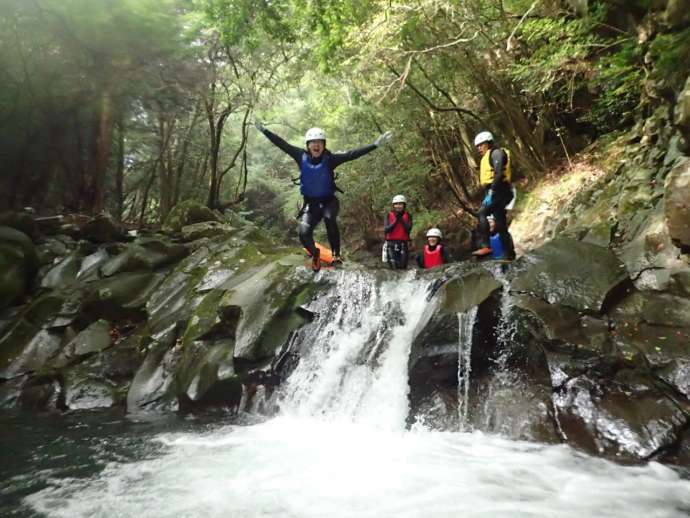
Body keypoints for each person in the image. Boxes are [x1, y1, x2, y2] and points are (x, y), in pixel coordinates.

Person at [255, 122, 392, 271]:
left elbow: (352, 154)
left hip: (329, 202)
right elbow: (281, 143)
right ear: (308, 145)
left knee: (329, 218)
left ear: (323, 145)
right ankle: (315, 253)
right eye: (313, 142)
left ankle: (336, 255)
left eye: (319, 142)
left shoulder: (330, 159)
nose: (316, 145)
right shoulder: (300, 156)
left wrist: (375, 145)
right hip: (311, 205)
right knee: (303, 234)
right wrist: (265, 131)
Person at [471, 131, 516, 260]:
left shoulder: (496, 153)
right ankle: (509, 254)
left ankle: (486, 245)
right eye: (477, 146)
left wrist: (492, 192)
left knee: (482, 213)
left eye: (481, 145)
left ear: (488, 143)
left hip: (499, 189)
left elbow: (498, 174)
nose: (479, 148)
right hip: (496, 190)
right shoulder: (487, 156)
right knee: (501, 225)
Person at [383, 194, 413, 269]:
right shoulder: (388, 215)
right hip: (391, 244)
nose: (398, 206)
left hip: (403, 244)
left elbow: (408, 229)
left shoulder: (408, 215)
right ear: (393, 205)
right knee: (393, 268)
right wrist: (396, 220)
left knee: (402, 268)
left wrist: (401, 220)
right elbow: (387, 229)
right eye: (396, 204)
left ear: (404, 205)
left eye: (400, 204)